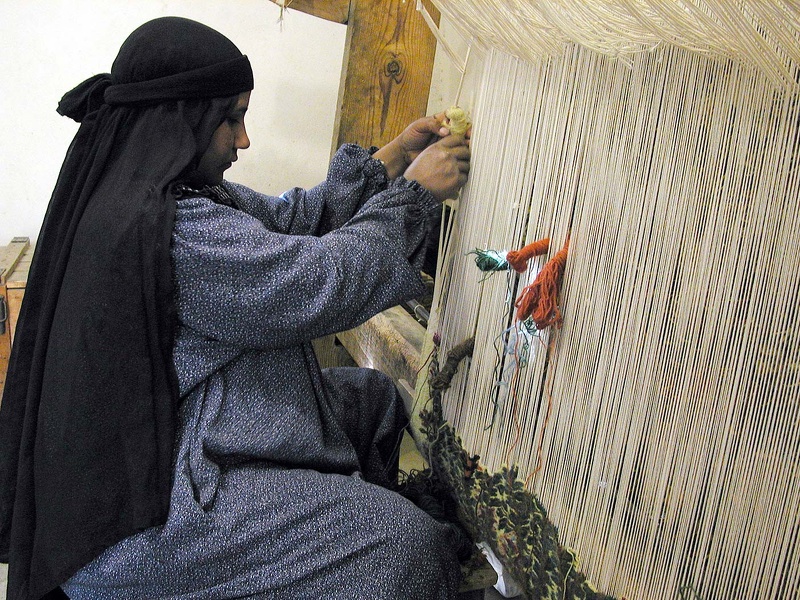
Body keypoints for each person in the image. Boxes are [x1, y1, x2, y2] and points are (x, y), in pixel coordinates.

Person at [0, 16, 470, 600]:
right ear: (182, 119)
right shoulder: (170, 233)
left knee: (373, 403)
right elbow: (316, 282)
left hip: (166, 442)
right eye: (231, 118)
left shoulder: (165, 194)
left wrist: (394, 158)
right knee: (406, 546)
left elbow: (291, 223)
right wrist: (414, 198)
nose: (243, 139)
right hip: (142, 515)